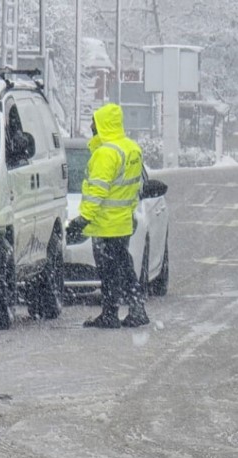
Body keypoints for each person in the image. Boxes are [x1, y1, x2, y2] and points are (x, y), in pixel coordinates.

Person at [68, 103, 149, 329]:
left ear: (103, 124)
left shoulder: (106, 153)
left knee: (109, 271)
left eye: (94, 122)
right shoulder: (131, 149)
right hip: (122, 221)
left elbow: (97, 191)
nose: (92, 127)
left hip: (105, 224)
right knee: (124, 266)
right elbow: (133, 187)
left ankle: (110, 313)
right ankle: (136, 308)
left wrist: (83, 219)